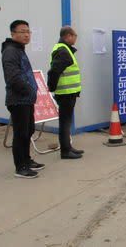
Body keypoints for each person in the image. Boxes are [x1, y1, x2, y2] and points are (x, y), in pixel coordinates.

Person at [1, 20, 44, 178]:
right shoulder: (10, 51)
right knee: (20, 134)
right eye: (22, 31)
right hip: (18, 100)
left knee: (28, 131)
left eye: (28, 31)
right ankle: (20, 167)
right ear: (13, 34)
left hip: (27, 100)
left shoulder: (19, 49)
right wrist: (27, 90)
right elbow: (12, 77)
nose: (26, 35)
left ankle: (27, 159)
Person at [47, 26, 83, 159]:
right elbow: (54, 71)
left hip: (69, 92)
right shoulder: (62, 50)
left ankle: (68, 147)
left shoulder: (64, 49)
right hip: (65, 93)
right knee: (65, 123)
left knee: (67, 122)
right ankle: (65, 151)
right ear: (68, 36)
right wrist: (51, 88)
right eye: (75, 36)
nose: (75, 38)